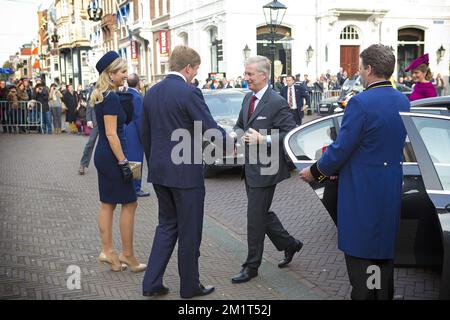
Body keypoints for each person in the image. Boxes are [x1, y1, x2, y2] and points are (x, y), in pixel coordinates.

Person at [299, 44, 410, 300]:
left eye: (360, 67)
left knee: (362, 251)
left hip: (363, 188)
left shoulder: (360, 103)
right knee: (381, 248)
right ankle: (381, 294)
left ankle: (366, 295)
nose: (359, 72)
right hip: (390, 185)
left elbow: (340, 149)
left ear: (369, 69)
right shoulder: (402, 99)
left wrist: (315, 172)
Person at [141, 45, 230, 299]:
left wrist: (155, 164)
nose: (195, 75)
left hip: (160, 173)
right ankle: (189, 286)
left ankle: (151, 283)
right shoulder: (189, 92)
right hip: (186, 175)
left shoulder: (151, 93)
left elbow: (145, 135)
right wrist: (232, 140)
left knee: (166, 226)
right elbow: (210, 131)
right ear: (188, 68)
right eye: (196, 69)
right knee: (190, 232)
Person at [230, 56, 302, 284]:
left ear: (263, 75)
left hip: (266, 169)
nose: (246, 78)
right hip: (249, 168)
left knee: (254, 218)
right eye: (246, 73)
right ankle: (290, 244)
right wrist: (233, 137)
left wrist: (265, 138)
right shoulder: (248, 98)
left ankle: (251, 267)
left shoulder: (276, 101)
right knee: (260, 213)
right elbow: (240, 126)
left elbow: (291, 134)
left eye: (250, 74)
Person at [90, 51, 147, 273]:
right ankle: (127, 254)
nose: (126, 75)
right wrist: (123, 161)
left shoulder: (103, 94)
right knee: (130, 203)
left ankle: (109, 252)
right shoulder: (111, 97)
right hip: (113, 156)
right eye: (122, 71)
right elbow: (112, 134)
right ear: (111, 73)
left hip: (103, 154)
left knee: (108, 203)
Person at [125, 73, 149, 197]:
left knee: (129, 159)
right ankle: (136, 188)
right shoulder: (137, 97)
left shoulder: (125, 94)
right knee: (136, 160)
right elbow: (140, 119)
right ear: (138, 83)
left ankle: (129, 186)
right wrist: (144, 136)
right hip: (134, 132)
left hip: (126, 130)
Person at [79, 84, 98, 175]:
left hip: (107, 121)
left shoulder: (111, 87)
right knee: (90, 143)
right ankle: (83, 164)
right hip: (95, 122)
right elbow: (90, 105)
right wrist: (89, 119)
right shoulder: (94, 88)